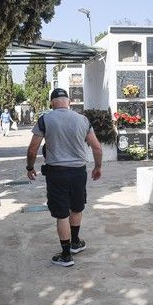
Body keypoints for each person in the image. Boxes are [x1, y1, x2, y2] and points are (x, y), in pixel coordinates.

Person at [26, 88, 103, 267]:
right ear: (68, 102)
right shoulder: (83, 120)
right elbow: (97, 148)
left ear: (52, 103)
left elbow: (32, 148)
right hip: (78, 172)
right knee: (76, 208)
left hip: (57, 173)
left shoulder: (45, 119)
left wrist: (30, 167)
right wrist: (98, 167)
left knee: (62, 215)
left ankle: (66, 255)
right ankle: (75, 242)